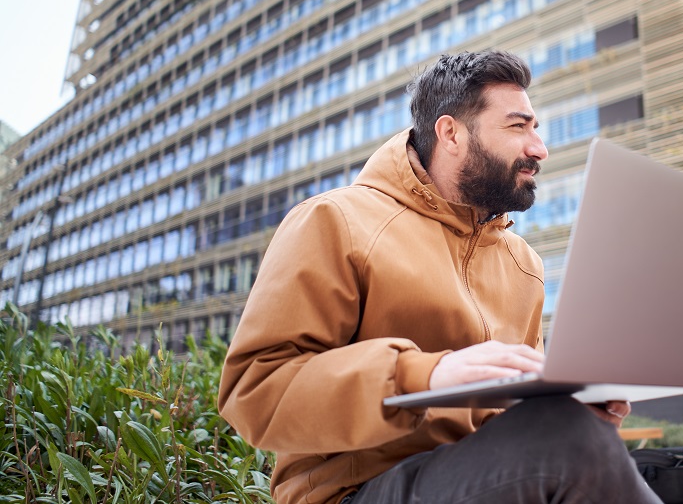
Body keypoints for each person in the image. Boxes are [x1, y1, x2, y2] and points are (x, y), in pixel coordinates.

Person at [218, 51, 660, 503]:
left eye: (536, 129)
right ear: (450, 133)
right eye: (518, 126)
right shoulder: (336, 221)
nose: (538, 149)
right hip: (354, 491)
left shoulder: (522, 261)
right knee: (569, 441)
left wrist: (570, 408)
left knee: (583, 436)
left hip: (480, 476)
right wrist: (423, 376)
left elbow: (514, 417)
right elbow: (254, 391)